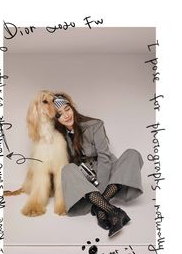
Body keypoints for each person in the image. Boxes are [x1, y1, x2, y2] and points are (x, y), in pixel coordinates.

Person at [53, 92, 144, 237]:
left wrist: (100, 189)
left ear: (73, 108)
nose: (66, 115)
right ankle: (114, 212)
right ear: (56, 119)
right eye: (60, 114)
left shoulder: (95, 125)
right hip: (85, 178)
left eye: (67, 109)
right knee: (67, 169)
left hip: (107, 172)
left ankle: (101, 210)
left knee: (133, 154)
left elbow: (104, 157)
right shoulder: (59, 137)